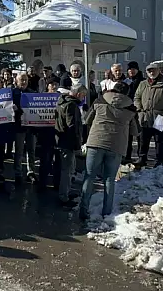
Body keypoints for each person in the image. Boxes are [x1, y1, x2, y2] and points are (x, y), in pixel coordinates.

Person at [80, 82, 139, 220]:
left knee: (89, 176)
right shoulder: (131, 109)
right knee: (109, 180)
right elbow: (136, 131)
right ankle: (106, 213)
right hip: (116, 146)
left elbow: (87, 120)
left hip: (96, 142)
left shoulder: (100, 100)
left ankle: (83, 210)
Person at [134, 62, 163, 168]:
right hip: (145, 116)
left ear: (159, 71)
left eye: (153, 70)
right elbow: (137, 97)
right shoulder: (143, 84)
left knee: (159, 140)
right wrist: (139, 109)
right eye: (149, 71)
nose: (151, 73)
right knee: (143, 139)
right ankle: (142, 158)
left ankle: (159, 160)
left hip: (160, 116)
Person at [55, 83, 87, 206]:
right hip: (68, 142)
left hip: (62, 140)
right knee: (67, 170)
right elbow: (72, 127)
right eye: (83, 95)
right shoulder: (71, 106)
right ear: (78, 94)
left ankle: (66, 192)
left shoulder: (62, 102)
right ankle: (63, 196)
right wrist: (77, 145)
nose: (83, 98)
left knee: (68, 168)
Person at [34, 76, 61, 192]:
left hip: (59, 133)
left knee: (58, 160)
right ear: (47, 86)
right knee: (45, 159)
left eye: (56, 84)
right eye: (52, 84)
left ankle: (57, 183)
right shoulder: (42, 98)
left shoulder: (61, 97)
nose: (54, 86)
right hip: (45, 133)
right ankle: (42, 183)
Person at [11, 72, 37, 184]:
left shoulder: (32, 93)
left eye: (26, 79)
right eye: (22, 80)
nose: (24, 82)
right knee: (19, 150)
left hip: (31, 127)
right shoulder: (12, 93)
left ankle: (31, 172)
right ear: (16, 81)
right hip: (18, 126)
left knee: (31, 150)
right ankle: (18, 173)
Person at [124, 61, 144, 163]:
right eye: (129, 69)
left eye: (133, 69)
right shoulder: (126, 81)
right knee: (128, 135)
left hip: (138, 110)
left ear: (137, 70)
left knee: (140, 134)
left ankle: (141, 156)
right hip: (127, 110)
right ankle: (127, 155)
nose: (131, 71)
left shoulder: (142, 81)